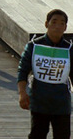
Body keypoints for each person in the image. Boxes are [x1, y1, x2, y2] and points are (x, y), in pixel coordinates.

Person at [18, 9, 72, 139]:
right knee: (37, 134)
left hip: (61, 103)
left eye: (62, 23)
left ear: (65, 27)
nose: (57, 26)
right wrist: (22, 93)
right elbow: (23, 70)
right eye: (54, 22)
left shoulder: (70, 49)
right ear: (46, 24)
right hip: (39, 101)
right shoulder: (34, 46)